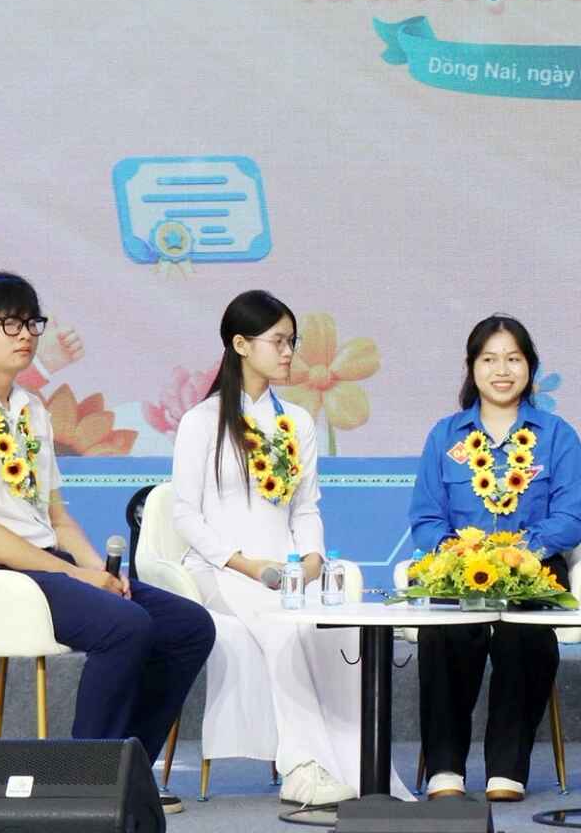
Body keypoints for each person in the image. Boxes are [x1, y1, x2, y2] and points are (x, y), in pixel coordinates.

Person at [0, 273, 213, 814]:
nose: (25, 335)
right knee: (125, 626)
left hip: (44, 564)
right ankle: (84, 784)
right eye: (9, 323)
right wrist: (73, 574)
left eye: (31, 323)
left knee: (188, 626)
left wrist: (102, 571)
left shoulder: (31, 410)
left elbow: (57, 516)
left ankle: (126, 772)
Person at [171, 290, 409, 813]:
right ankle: (300, 768)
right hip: (222, 570)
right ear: (240, 344)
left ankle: (358, 762)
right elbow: (185, 514)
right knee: (283, 623)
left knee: (337, 623)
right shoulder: (201, 422)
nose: (288, 353)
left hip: (286, 570)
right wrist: (244, 563)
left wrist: (313, 559)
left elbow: (306, 506)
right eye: (277, 341)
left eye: (291, 342)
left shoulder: (296, 422)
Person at [408, 315, 581, 802]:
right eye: (489, 359)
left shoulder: (557, 435)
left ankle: (506, 768)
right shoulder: (443, 436)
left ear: (530, 368)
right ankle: (445, 767)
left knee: (520, 638)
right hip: (460, 569)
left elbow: (572, 517)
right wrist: (457, 555)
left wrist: (523, 551)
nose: (501, 370)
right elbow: (426, 519)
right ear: (471, 369)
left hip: (532, 568)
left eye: (513, 358)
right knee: (444, 638)